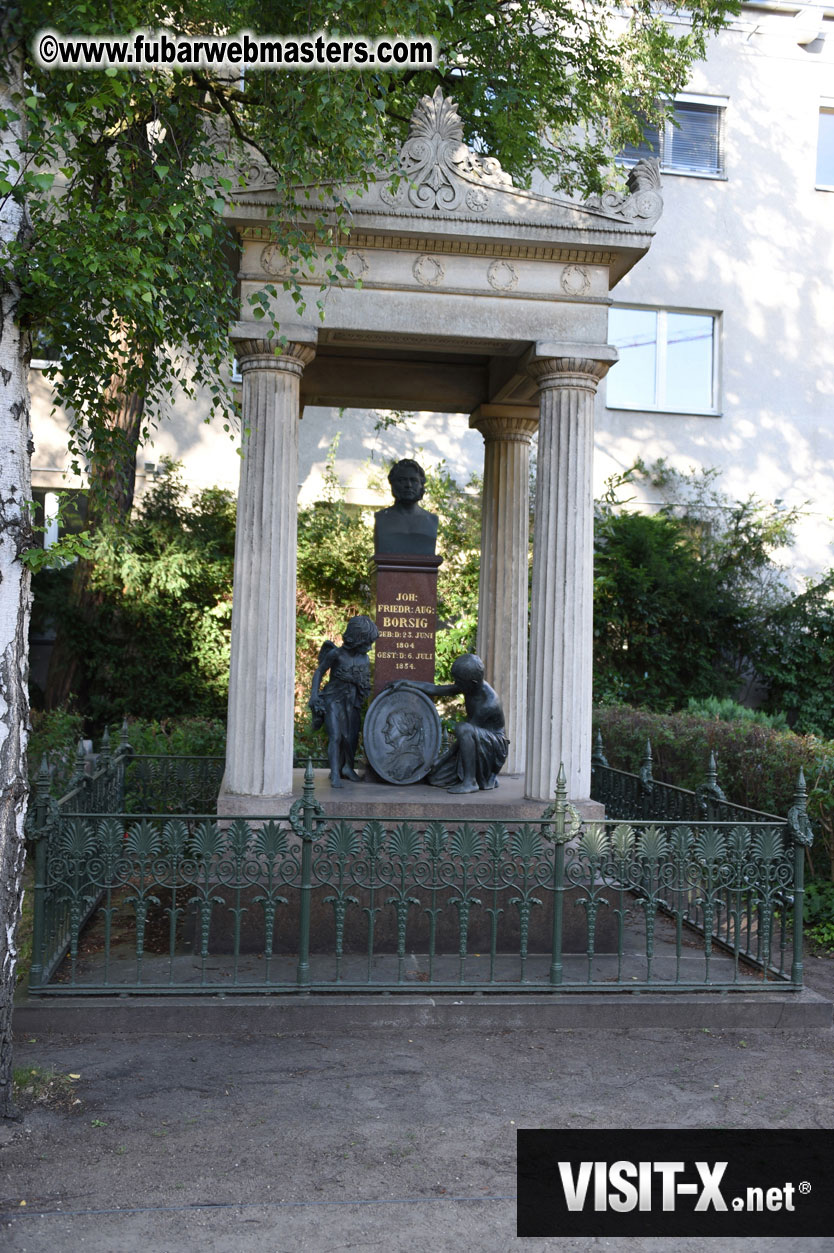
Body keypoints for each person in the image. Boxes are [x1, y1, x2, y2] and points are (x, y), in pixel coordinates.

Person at [385, 653, 508, 793]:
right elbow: (438, 689)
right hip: (477, 740)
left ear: (472, 682)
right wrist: (406, 683)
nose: (456, 684)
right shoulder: (470, 686)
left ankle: (471, 781)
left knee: (462, 728)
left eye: (458, 681)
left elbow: (466, 735)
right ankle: (482, 776)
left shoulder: (488, 703)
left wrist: (442, 759)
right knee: (435, 778)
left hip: (494, 745)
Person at [308, 615, 379, 788]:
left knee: (351, 737)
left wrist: (353, 680)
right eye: (366, 644)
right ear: (356, 639)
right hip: (334, 700)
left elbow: (363, 684)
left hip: (352, 702)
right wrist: (314, 695)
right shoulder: (336, 654)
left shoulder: (364, 659)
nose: (369, 648)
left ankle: (347, 767)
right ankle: (334, 773)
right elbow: (319, 672)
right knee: (336, 736)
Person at [373, 459, 439, 555]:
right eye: (402, 480)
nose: (408, 485)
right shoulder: (382, 518)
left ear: (421, 485)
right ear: (392, 484)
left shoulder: (431, 520)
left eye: (414, 480)